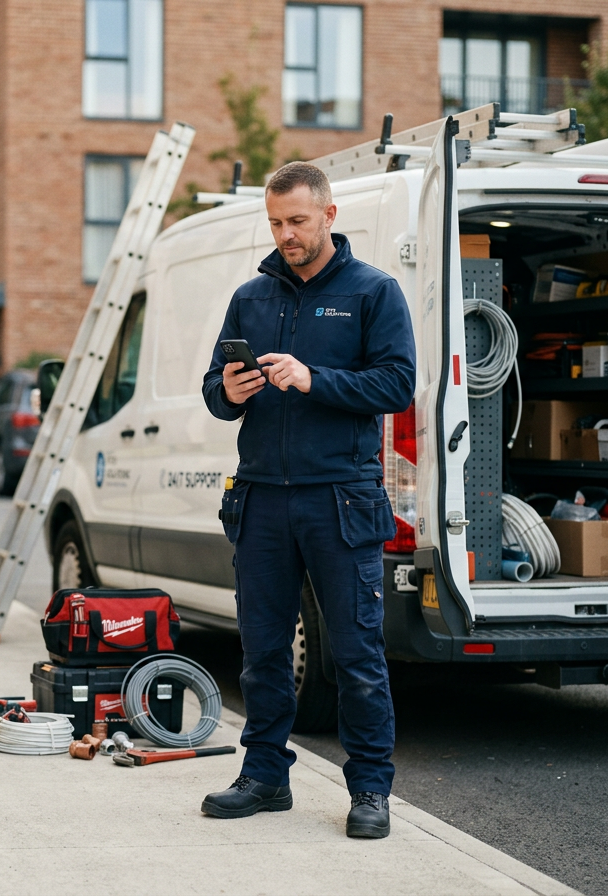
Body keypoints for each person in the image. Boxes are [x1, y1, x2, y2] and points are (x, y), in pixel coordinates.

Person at [199, 162, 415, 839]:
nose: (285, 234)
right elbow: (213, 388)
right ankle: (264, 776)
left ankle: (371, 791)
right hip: (261, 497)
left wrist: (313, 378)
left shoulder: (374, 291)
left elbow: (396, 385)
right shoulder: (251, 298)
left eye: (297, 221)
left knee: (354, 654)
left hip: (340, 498)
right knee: (263, 650)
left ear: (329, 215)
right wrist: (229, 393)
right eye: (275, 223)